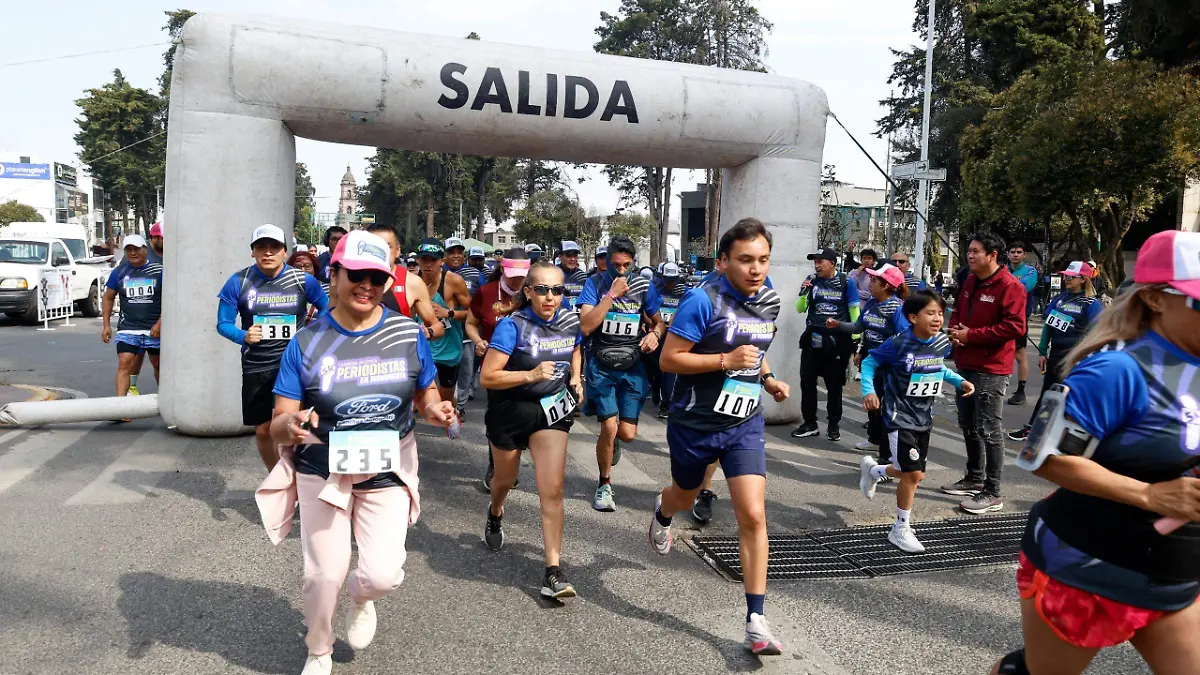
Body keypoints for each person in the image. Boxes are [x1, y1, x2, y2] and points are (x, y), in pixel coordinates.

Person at [989, 229, 1200, 675]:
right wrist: (1150, 495)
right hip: (1085, 569)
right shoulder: (1117, 369)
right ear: (1156, 299)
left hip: (1174, 575)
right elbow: (1043, 456)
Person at [263, 229, 456, 675]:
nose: (367, 286)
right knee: (323, 575)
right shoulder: (306, 342)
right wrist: (289, 425)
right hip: (321, 467)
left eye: (377, 277)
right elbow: (278, 421)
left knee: (382, 574)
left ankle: (363, 597)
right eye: (356, 275)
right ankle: (319, 649)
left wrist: (435, 409)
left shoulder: (407, 333)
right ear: (334, 275)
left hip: (387, 465)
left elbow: (425, 394)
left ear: (388, 281)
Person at [649, 218, 790, 656]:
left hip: (743, 422)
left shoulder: (770, 299)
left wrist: (768, 379)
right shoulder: (701, 300)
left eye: (763, 259)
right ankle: (664, 511)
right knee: (685, 495)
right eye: (746, 260)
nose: (756, 269)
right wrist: (725, 360)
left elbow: (756, 351)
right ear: (723, 261)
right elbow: (670, 360)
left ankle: (756, 620)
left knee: (753, 514)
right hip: (695, 424)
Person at [479, 261, 582, 599]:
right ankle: (496, 511)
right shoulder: (513, 326)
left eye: (557, 290)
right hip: (510, 410)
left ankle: (553, 570)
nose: (550, 297)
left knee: (552, 490)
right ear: (528, 292)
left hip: (551, 411)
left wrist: (576, 378)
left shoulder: (570, 321)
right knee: (504, 480)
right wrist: (530, 375)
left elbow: (575, 347)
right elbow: (487, 377)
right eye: (542, 290)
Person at [858, 291, 975, 553]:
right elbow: (869, 362)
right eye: (930, 313)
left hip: (924, 416)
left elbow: (938, 367)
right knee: (913, 474)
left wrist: (959, 381)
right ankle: (900, 528)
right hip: (899, 416)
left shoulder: (941, 341)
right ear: (912, 317)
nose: (937, 319)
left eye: (940, 313)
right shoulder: (898, 343)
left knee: (909, 471)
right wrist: (868, 391)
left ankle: (874, 471)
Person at [217, 224, 328, 471]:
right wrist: (243, 335)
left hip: (295, 364)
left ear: (284, 251)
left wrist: (311, 333)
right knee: (264, 430)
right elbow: (223, 324)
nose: (267, 253)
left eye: (274, 247)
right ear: (252, 252)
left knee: (298, 424)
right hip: (257, 363)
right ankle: (276, 476)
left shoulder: (302, 280)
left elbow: (326, 308)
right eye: (261, 247)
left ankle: (301, 475)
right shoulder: (238, 281)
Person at [578, 236, 665, 512]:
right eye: (616, 265)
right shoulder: (594, 284)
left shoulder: (644, 286)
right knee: (608, 426)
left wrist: (655, 335)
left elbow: (659, 322)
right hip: (601, 364)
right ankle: (604, 484)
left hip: (632, 365)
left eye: (627, 265)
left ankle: (614, 440)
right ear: (607, 261)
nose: (622, 271)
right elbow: (585, 326)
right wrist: (611, 295)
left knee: (626, 434)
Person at [943, 232, 1026, 514]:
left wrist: (972, 336)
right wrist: (956, 332)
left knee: (989, 429)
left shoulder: (1010, 286)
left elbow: (1015, 327)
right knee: (968, 423)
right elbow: (958, 312)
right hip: (965, 363)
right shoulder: (970, 280)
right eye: (969, 250)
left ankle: (993, 492)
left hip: (991, 368)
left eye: (976, 251)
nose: (970, 255)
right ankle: (974, 477)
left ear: (992, 255)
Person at [1007, 261, 1102, 442]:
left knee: (1071, 396)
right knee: (1048, 393)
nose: (1066, 279)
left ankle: (1071, 435)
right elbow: (1048, 327)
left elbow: (1096, 333)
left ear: (1083, 279)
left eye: (1071, 276)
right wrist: (1042, 351)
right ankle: (1034, 429)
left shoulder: (1092, 303)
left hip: (1075, 357)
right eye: (1065, 275)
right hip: (1055, 354)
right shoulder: (1059, 299)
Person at [826, 263, 910, 457]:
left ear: (886, 285)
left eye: (874, 280)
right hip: (871, 363)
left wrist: (885, 354)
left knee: (888, 407)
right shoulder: (872, 303)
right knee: (872, 402)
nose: (870, 283)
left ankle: (887, 453)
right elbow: (859, 327)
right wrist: (839, 325)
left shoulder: (897, 308)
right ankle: (874, 439)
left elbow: (903, 338)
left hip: (890, 367)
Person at [467, 248, 531, 490]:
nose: (517, 281)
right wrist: (478, 341)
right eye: (513, 275)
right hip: (496, 369)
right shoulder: (486, 292)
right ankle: (495, 465)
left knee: (523, 417)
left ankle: (511, 463)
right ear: (503, 269)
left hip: (528, 367)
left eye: (522, 276)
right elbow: (471, 323)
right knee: (498, 417)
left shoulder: (535, 292)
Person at [792, 247, 860, 441]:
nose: (817, 265)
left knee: (834, 385)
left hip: (837, 340)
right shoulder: (812, 281)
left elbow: (854, 311)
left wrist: (855, 340)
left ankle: (833, 425)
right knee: (807, 381)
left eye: (820, 261)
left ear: (832, 263)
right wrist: (804, 292)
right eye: (815, 262)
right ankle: (810, 423)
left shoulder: (846, 282)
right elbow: (799, 308)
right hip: (813, 337)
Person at [101, 234, 163, 406]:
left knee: (159, 365)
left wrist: (160, 323)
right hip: (128, 328)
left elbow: (171, 299)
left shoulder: (159, 271)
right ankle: (121, 408)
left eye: (136, 249)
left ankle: (165, 402)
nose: (133, 253)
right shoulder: (119, 272)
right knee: (124, 363)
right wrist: (106, 325)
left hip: (154, 329)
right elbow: (108, 297)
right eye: (129, 250)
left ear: (145, 250)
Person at [415, 238, 471, 407]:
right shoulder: (411, 282)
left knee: (445, 399)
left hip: (448, 350)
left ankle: (453, 413)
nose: (428, 264)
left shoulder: (453, 281)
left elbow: (473, 314)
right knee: (415, 398)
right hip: (421, 348)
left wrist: (449, 313)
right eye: (424, 259)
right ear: (417, 260)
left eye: (433, 260)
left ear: (442, 261)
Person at [365, 224, 442, 341]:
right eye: (375, 246)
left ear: (397, 251)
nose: (380, 251)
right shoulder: (351, 280)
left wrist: (427, 332)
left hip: (397, 351)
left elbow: (437, 326)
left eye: (387, 247)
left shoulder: (412, 282)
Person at [444, 237, 484, 418]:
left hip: (467, 333)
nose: (456, 256)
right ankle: (446, 404)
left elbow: (483, 298)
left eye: (459, 252)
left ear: (464, 255)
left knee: (466, 372)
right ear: (445, 256)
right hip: (444, 334)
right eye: (451, 252)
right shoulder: (439, 272)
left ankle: (459, 406)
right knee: (444, 372)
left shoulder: (475, 274)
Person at [127, 222, 166, 395]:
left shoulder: (170, 253)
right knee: (136, 354)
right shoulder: (141, 252)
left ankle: (164, 393)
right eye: (164, 238)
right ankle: (132, 387)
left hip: (161, 313)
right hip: (139, 313)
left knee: (159, 360)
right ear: (155, 238)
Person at [651, 263, 688, 420]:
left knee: (669, 371)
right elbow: (648, 309)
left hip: (673, 335)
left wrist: (686, 294)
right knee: (655, 370)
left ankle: (666, 404)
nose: (670, 283)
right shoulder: (654, 288)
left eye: (673, 280)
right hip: (657, 333)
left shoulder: (684, 291)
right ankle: (655, 389)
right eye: (667, 280)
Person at [1006, 241, 1040, 405]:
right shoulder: (1002, 270)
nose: (1015, 254)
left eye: (1019, 252)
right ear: (1008, 254)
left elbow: (1021, 288)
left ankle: (1021, 390)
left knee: (1019, 353)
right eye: (1012, 252)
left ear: (1024, 255)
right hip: (1000, 317)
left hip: (1019, 317)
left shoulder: (1030, 271)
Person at [287, 250, 323, 324]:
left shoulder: (325, 291)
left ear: (314, 268)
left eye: (307, 266)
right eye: (297, 267)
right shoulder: (283, 292)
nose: (302, 271)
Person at [557, 240, 589, 310]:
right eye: (568, 256)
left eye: (575, 255)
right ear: (560, 257)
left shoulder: (583, 277)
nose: (573, 259)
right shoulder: (552, 274)